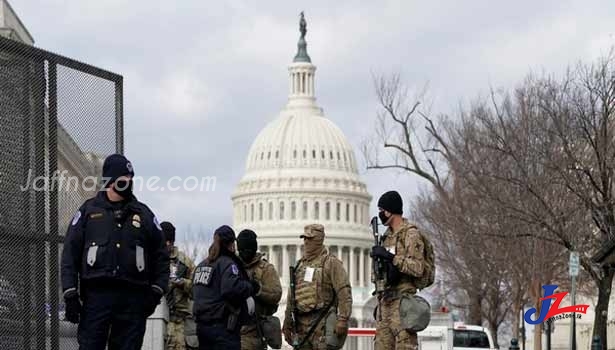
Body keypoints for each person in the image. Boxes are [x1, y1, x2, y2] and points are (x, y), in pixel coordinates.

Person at [60, 153, 170, 350]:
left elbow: (161, 256)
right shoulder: (88, 211)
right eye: (124, 179)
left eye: (131, 179)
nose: (129, 182)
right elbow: (70, 254)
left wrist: (155, 291)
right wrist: (70, 293)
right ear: (110, 180)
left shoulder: (144, 215)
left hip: (133, 301)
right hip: (96, 298)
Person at [370, 190, 429, 350]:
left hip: (403, 306)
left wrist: (391, 258)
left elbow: (418, 268)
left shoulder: (410, 234)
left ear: (390, 210)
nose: (380, 214)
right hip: (385, 304)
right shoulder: (386, 237)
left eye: (382, 210)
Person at [282, 224, 352, 350]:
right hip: (301, 326)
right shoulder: (299, 265)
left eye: (310, 239)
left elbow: (344, 291)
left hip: (322, 323)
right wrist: (287, 322)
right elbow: (291, 297)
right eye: (304, 239)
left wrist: (343, 319)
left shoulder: (331, 263)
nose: (306, 242)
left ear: (319, 240)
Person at [192, 225, 261, 350]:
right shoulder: (227, 263)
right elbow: (231, 289)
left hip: (202, 329)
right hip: (222, 331)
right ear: (231, 244)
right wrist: (250, 286)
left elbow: (195, 292)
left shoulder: (201, 265)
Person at [237, 229, 282, 350]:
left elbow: (276, 294)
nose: (244, 253)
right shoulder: (232, 267)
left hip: (254, 331)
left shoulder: (266, 269)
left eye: (247, 249)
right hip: (232, 330)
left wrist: (258, 290)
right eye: (241, 250)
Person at [162, 221, 196, 350]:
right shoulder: (152, 261)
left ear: (170, 242)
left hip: (180, 322)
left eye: (167, 242)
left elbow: (198, 289)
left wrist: (183, 283)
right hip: (156, 319)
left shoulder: (184, 262)